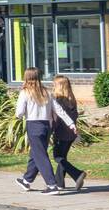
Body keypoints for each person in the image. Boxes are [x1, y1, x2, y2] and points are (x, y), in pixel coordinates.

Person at [15, 67, 74, 195]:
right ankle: (27, 180)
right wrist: (71, 123)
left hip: (33, 125)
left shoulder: (25, 92)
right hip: (47, 126)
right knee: (36, 153)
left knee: (40, 155)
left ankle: (52, 185)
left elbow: (19, 112)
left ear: (26, 77)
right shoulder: (46, 92)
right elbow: (58, 110)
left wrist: (19, 116)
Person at [51, 75, 87, 191]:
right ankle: (59, 183)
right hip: (71, 134)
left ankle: (77, 174)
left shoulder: (58, 100)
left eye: (54, 84)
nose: (53, 86)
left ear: (59, 86)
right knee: (63, 158)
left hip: (61, 133)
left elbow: (58, 118)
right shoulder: (71, 99)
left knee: (57, 157)